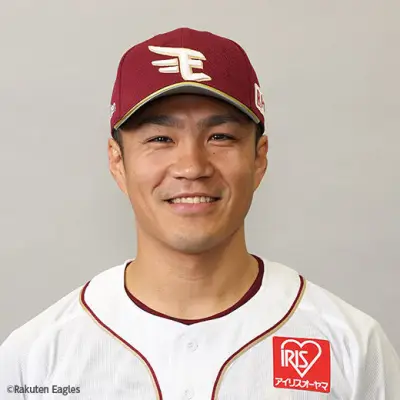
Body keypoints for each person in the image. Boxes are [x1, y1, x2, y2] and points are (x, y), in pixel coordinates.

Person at [1, 27, 399, 400]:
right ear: (117, 161)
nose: (192, 167)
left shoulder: (352, 346)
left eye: (220, 137)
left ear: (259, 159)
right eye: (161, 138)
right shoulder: (36, 358)